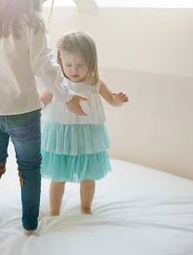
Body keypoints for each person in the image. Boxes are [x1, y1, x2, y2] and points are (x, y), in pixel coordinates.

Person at [0, 0, 89, 236]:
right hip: (22, 110)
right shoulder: (33, 22)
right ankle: (29, 226)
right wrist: (68, 96)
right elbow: (45, 66)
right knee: (29, 167)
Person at [39, 31, 128, 216]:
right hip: (61, 136)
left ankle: (86, 207)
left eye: (80, 65)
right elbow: (42, 101)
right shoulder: (57, 82)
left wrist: (117, 100)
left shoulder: (95, 82)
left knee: (88, 177)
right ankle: (54, 210)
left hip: (87, 137)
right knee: (58, 176)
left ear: (91, 63)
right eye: (68, 64)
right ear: (60, 62)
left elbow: (111, 99)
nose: (74, 70)